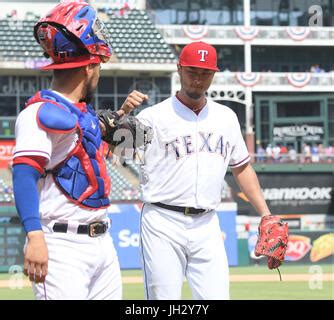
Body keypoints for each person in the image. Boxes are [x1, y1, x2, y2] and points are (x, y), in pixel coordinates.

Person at [12, 1, 147, 300]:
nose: (98, 71)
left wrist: (117, 122)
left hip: (101, 241)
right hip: (60, 244)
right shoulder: (41, 113)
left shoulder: (82, 114)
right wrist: (34, 235)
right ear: (89, 67)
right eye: (98, 65)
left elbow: (88, 156)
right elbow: (22, 176)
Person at [135, 41, 275, 300]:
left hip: (208, 223)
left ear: (213, 75)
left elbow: (242, 168)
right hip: (163, 220)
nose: (198, 80)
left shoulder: (226, 117)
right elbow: (117, 152)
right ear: (179, 70)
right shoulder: (151, 117)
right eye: (192, 72)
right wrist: (123, 117)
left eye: (205, 73)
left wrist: (265, 214)